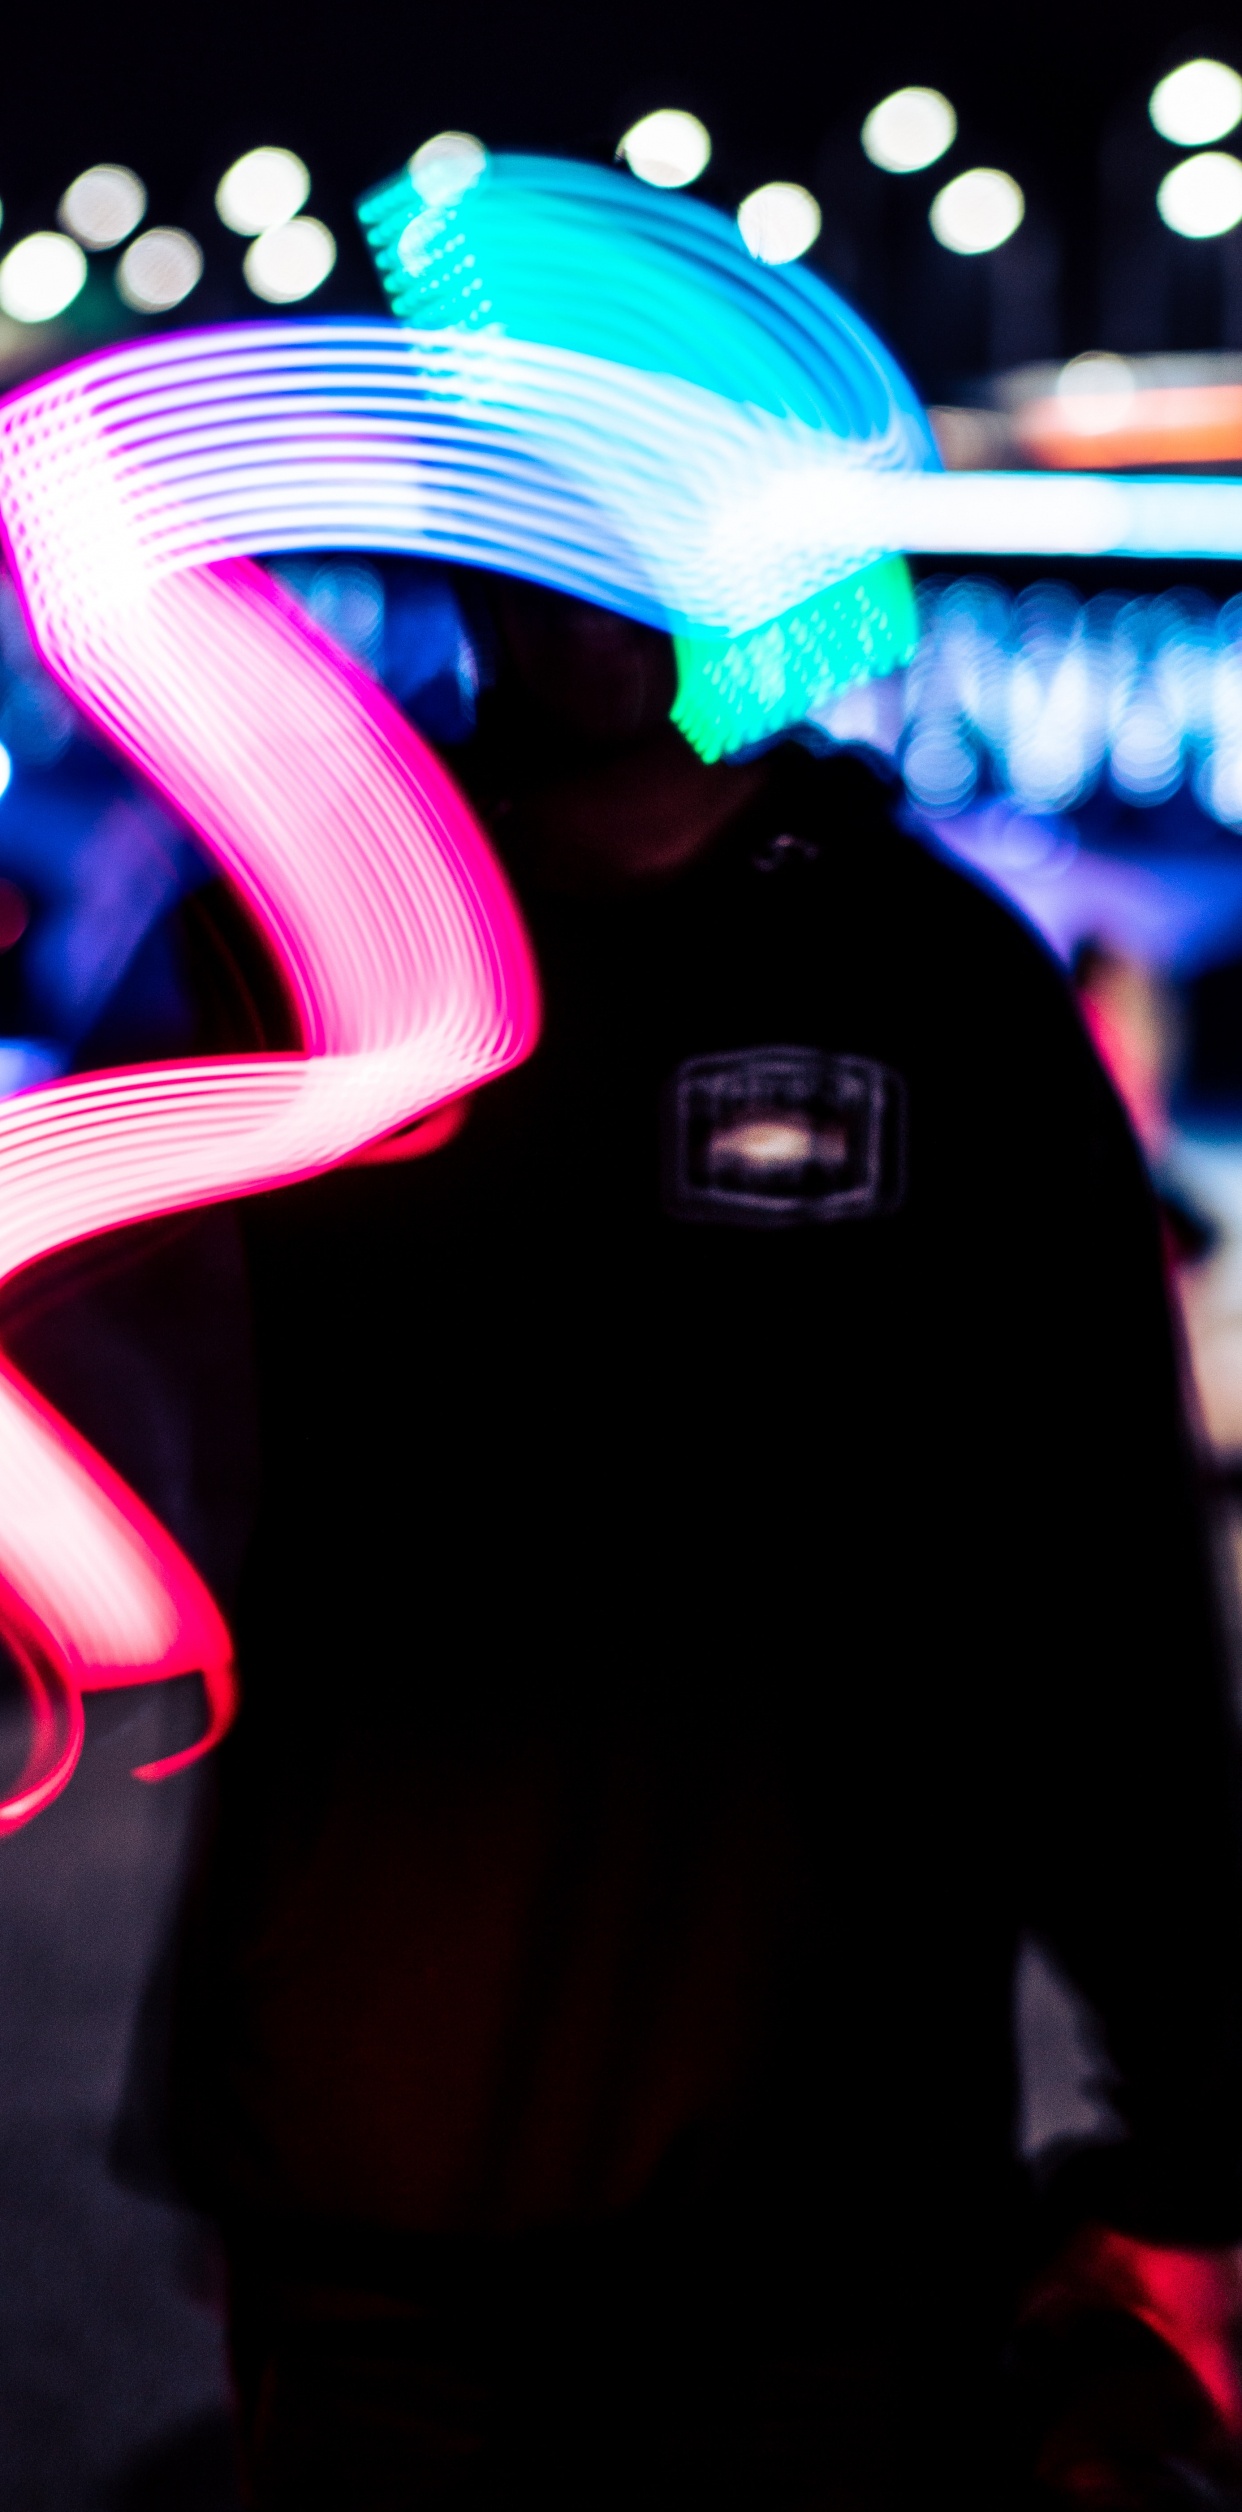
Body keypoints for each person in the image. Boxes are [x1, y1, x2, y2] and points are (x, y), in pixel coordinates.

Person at [163, 566, 1242, 2509]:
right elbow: (118, 1423)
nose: (569, 572)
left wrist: (1198, 2133)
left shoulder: (940, 987)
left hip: (823, 2211)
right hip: (366, 2193)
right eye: (522, 506)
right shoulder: (273, 955)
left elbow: (1103, 1602)